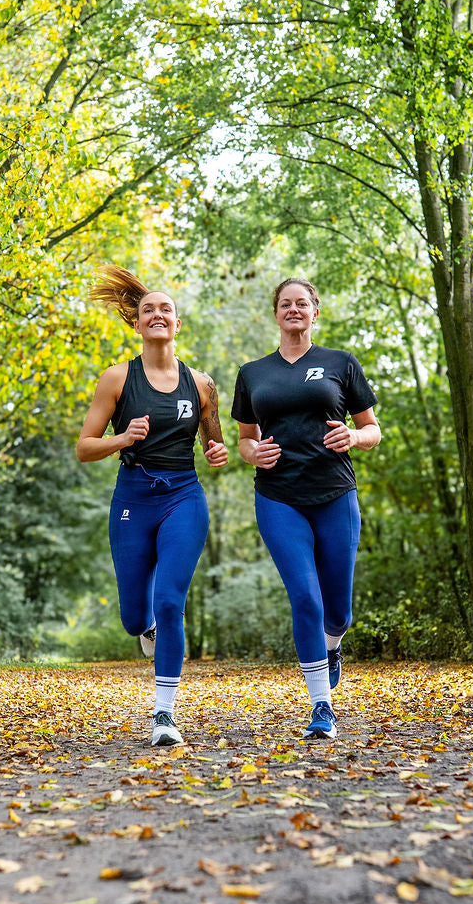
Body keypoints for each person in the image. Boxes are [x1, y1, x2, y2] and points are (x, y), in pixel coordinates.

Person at [77, 267, 227, 746]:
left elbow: (214, 443)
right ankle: (144, 629)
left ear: (177, 324)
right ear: (137, 325)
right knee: (134, 616)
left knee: (170, 600)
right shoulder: (117, 379)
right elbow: (84, 446)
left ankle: (164, 714)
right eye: (149, 310)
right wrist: (123, 437)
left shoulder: (201, 385)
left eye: (166, 309)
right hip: (133, 498)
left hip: (184, 496)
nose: (157, 315)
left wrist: (217, 452)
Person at [232, 277, 380, 741]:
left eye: (302, 303)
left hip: (335, 493)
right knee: (305, 599)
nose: (293, 309)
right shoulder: (253, 373)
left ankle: (333, 646)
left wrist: (354, 437)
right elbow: (243, 438)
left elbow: (372, 429)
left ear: (315, 311)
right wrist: (252, 453)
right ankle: (322, 706)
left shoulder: (341, 363)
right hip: (278, 497)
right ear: (275, 314)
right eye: (285, 304)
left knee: (338, 611)